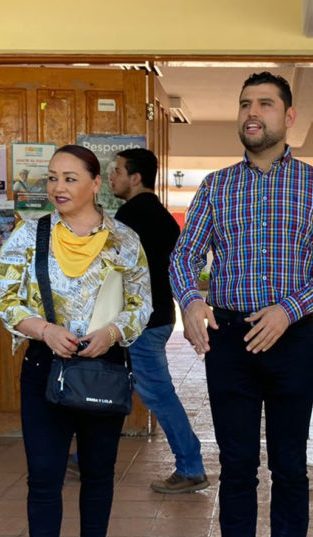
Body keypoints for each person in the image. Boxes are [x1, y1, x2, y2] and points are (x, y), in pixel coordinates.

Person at [169, 72, 313, 537]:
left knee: (290, 466)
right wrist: (191, 300)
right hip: (229, 341)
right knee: (237, 464)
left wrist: (288, 309)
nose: (253, 112)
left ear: (288, 116)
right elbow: (184, 256)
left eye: (265, 104)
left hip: (292, 339)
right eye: (245, 103)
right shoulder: (216, 186)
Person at [0, 144, 152, 537]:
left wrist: (112, 333)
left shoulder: (125, 239)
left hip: (103, 370)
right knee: (44, 478)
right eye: (51, 178)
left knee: (98, 475)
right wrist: (44, 330)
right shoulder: (29, 235)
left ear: (95, 183)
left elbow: (141, 303)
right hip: (46, 368)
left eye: (69, 178)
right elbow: (6, 301)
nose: (57, 187)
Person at [109, 147, 209, 493]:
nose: (111, 177)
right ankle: (87, 456)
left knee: (158, 394)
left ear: (136, 178)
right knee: (115, 385)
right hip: (158, 318)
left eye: (117, 171)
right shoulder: (165, 218)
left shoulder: (128, 216)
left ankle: (191, 467)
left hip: (141, 323)